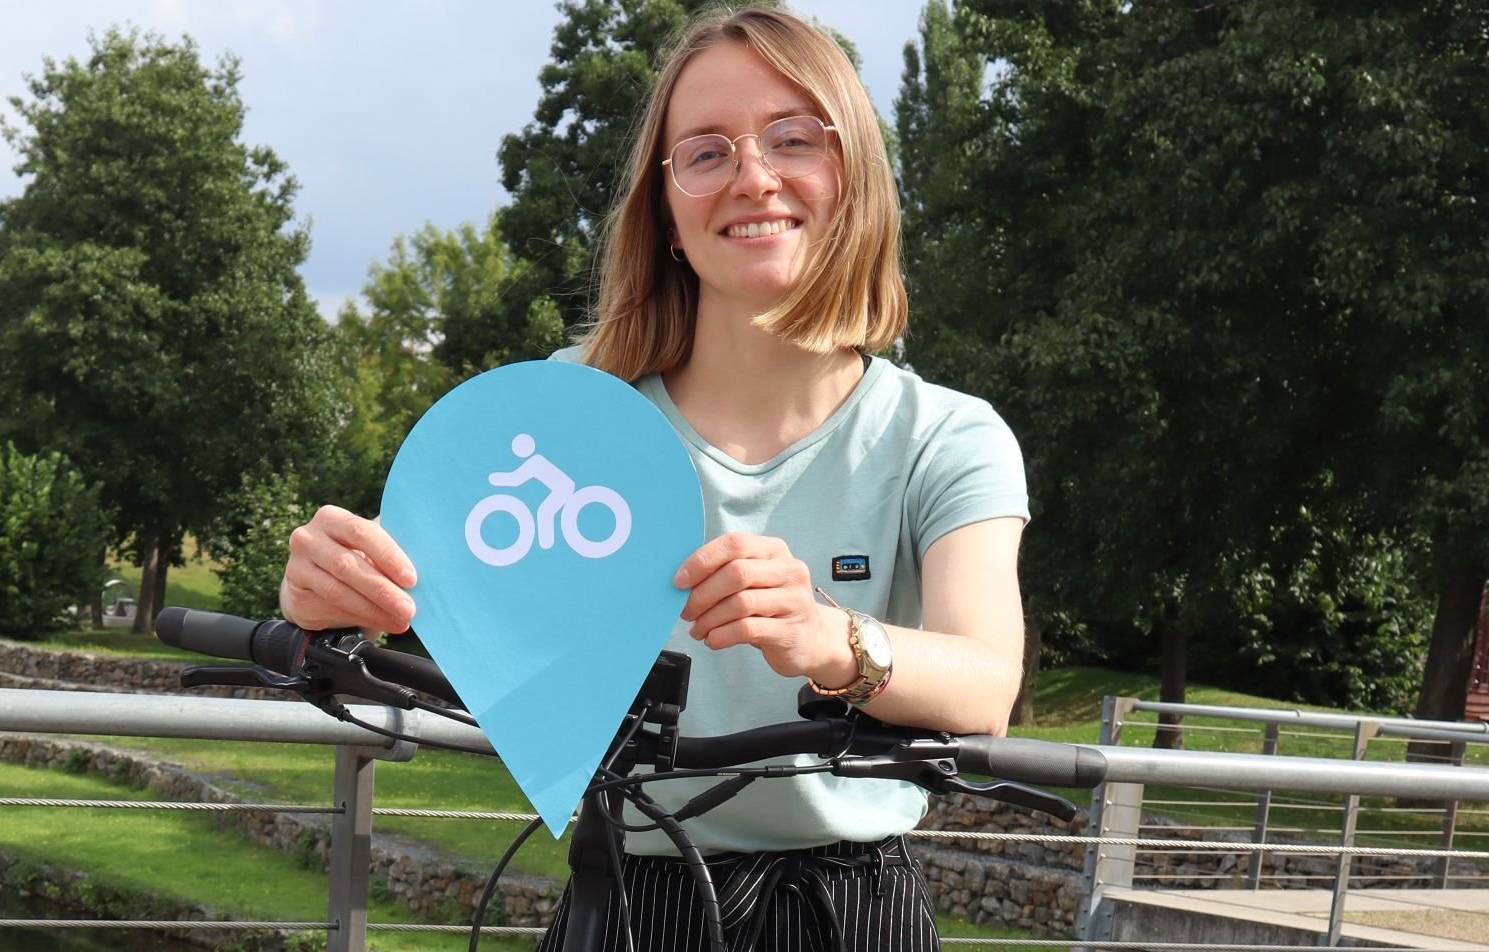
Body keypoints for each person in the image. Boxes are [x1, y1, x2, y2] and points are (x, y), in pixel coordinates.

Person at [280, 6, 1028, 950]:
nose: (754, 175)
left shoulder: (947, 436)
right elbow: (408, 589)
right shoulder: (566, 413)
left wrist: (830, 639)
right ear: (667, 212)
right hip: (627, 897)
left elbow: (985, 680)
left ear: (855, 180)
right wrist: (324, 589)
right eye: (707, 153)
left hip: (854, 910)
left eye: (794, 138)